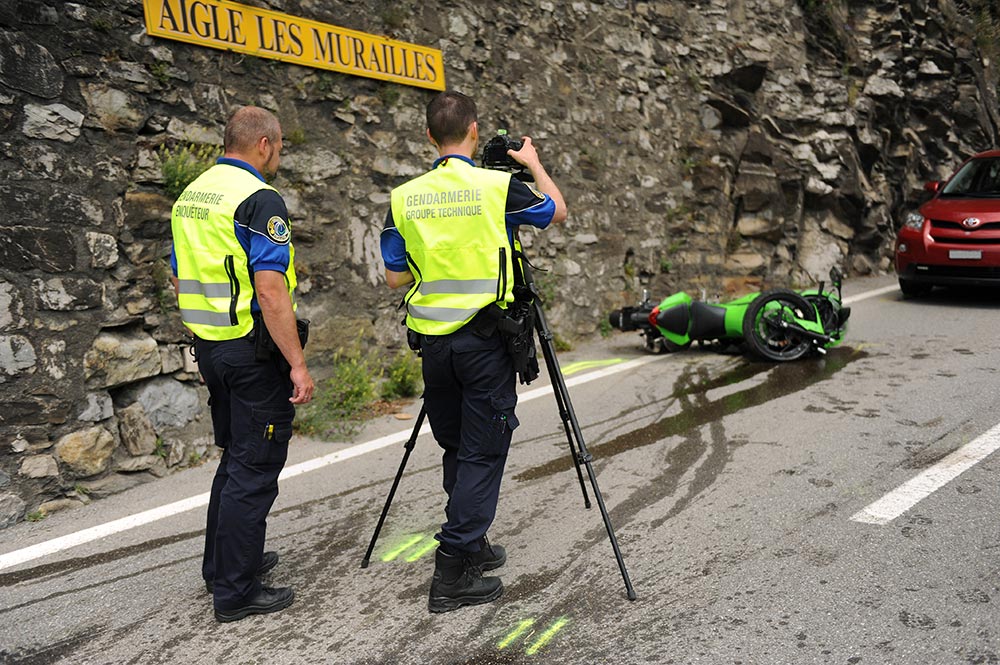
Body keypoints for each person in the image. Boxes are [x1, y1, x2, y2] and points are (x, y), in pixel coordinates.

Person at [380, 91, 567, 613]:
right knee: (484, 451)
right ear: (475, 132)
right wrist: (532, 163)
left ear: (428, 138)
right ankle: (453, 567)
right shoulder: (497, 185)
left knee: (459, 446)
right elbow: (557, 212)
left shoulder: (405, 197)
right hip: (486, 342)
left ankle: (474, 542)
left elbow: (395, 275)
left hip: (434, 344)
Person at [169, 105, 314, 623]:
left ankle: (223, 565)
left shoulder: (192, 195)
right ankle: (236, 590)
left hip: (210, 346)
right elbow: (271, 292)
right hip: (250, 350)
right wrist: (296, 363)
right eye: (279, 147)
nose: (277, 156)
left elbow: (180, 274)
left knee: (235, 458)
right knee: (255, 468)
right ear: (264, 145)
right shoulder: (259, 199)